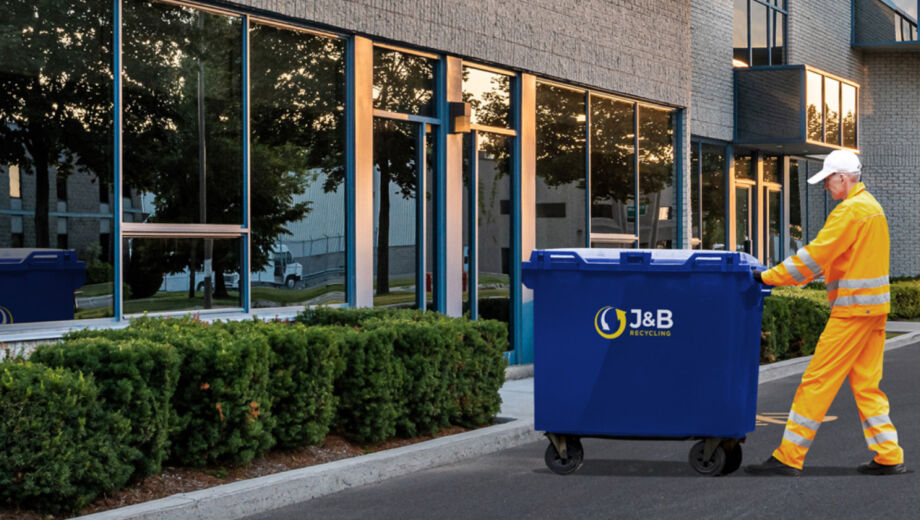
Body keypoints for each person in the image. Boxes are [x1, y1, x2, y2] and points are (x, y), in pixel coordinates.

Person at [744, 149, 906, 476]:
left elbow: (814, 257)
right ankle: (888, 455)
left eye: (828, 180)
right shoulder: (872, 208)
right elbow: (837, 260)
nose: (825, 187)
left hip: (851, 312)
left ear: (843, 179)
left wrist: (767, 276)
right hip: (873, 311)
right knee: (866, 384)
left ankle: (788, 456)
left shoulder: (850, 211)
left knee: (817, 380)